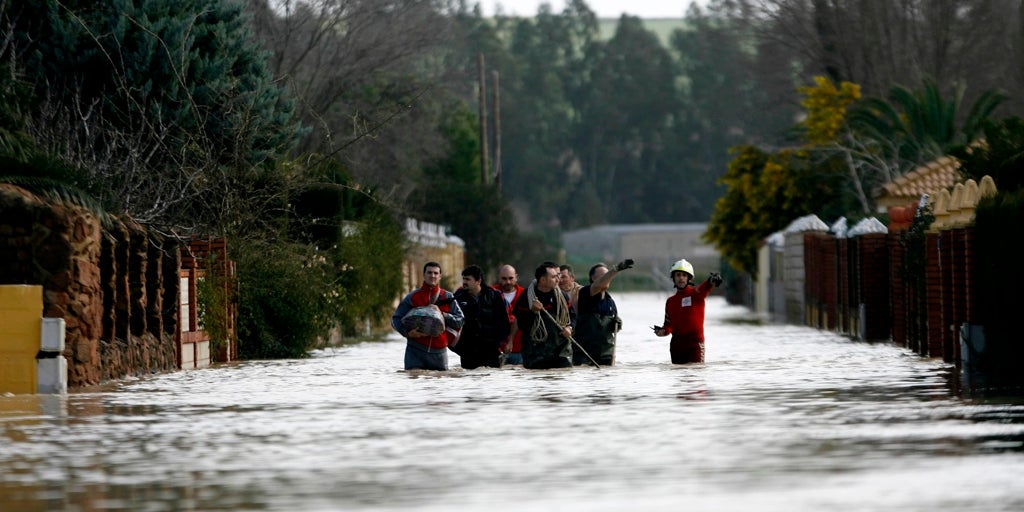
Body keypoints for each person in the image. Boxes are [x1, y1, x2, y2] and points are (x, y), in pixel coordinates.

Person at [392, 261, 465, 371]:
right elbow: (396, 319)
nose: (432, 276)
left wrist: (443, 315)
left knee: (439, 387)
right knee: (414, 383)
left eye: (436, 273)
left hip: (439, 353)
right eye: (429, 272)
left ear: (440, 276)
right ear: (424, 275)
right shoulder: (412, 297)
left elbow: (460, 320)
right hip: (415, 352)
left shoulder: (448, 297)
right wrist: (407, 332)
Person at [653, 259, 722, 364]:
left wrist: (711, 281)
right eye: (678, 275)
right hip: (676, 347)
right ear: (673, 278)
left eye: (684, 275)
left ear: (689, 278)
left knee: (695, 377)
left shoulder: (696, 294)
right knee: (678, 377)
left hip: (695, 345)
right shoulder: (670, 301)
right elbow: (668, 326)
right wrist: (662, 332)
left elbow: (705, 288)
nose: (681, 278)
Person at [513, 261, 576, 369]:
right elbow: (522, 325)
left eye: (558, 276)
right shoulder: (526, 297)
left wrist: (570, 328)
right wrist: (532, 311)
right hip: (535, 352)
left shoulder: (562, 296)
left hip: (561, 352)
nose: (558, 280)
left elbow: (572, 316)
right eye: (553, 277)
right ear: (543, 280)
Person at [573, 259, 633, 366]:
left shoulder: (610, 302)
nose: (607, 278)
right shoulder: (585, 293)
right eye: (604, 276)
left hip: (606, 354)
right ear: (593, 278)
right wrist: (615, 270)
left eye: (608, 276)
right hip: (584, 353)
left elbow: (611, 329)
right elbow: (598, 286)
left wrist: (617, 324)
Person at [453, 265, 512, 369]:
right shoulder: (458, 297)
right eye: (463, 279)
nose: (464, 282)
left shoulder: (494, 296)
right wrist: (460, 348)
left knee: (491, 381)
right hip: (468, 354)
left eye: (468, 279)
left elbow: (504, 324)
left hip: (491, 352)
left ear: (478, 281)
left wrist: (496, 344)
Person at [493, 264, 525, 365]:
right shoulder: (490, 294)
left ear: (516, 277)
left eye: (511, 278)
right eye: (504, 278)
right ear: (498, 278)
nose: (507, 282)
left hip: (520, 350)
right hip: (496, 351)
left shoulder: (525, 295)